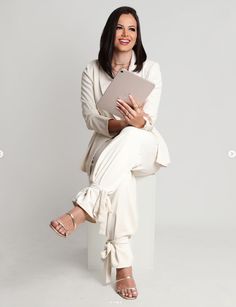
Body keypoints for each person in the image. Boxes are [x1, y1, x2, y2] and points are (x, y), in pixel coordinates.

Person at [49, 6, 170, 300]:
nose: (126, 34)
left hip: (144, 145)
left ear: (137, 35)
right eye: (119, 27)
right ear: (110, 32)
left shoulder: (151, 68)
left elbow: (149, 119)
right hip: (109, 147)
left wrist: (136, 121)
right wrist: (118, 122)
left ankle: (82, 209)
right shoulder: (91, 69)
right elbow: (90, 118)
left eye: (132, 29)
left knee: (132, 135)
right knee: (122, 180)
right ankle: (124, 268)